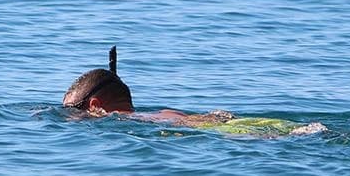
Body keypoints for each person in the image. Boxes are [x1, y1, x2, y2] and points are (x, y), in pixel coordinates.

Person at [62, 47, 328, 137]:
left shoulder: (122, 121)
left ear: (94, 105)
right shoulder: (165, 112)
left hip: (226, 132)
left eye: (75, 111)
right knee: (306, 131)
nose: (75, 116)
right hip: (228, 121)